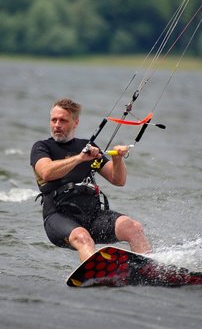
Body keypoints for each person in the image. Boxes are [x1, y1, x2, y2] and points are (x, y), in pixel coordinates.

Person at [30, 98, 151, 262]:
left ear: (75, 122)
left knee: (133, 227)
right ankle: (93, 274)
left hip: (93, 217)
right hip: (59, 217)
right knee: (83, 237)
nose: (57, 124)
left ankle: (150, 269)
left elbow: (118, 180)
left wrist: (117, 159)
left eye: (63, 120)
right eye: (54, 120)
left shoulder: (87, 146)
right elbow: (46, 173)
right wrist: (79, 158)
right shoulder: (42, 147)